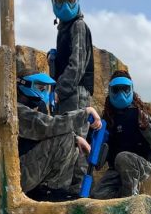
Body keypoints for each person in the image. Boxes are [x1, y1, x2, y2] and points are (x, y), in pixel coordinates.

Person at [16, 67, 101, 199]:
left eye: (45, 88)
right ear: (24, 84)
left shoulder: (34, 108)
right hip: (19, 177)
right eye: (40, 87)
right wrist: (85, 113)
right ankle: (49, 191)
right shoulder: (17, 111)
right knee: (66, 138)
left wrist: (76, 138)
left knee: (71, 140)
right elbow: (49, 126)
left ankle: (53, 191)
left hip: (28, 173)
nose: (43, 91)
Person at [90, 73, 151, 199]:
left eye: (124, 89)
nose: (121, 94)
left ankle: (130, 198)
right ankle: (123, 196)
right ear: (111, 91)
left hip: (142, 164)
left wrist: (146, 128)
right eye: (116, 89)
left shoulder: (140, 113)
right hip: (116, 169)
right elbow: (99, 159)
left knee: (123, 157)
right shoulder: (107, 118)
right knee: (97, 196)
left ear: (131, 89)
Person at [48, 0, 95, 115]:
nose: (65, 5)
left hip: (75, 93)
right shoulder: (64, 29)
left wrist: (59, 91)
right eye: (60, 0)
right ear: (53, 2)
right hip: (68, 93)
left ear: (77, 0)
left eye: (70, 0)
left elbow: (77, 66)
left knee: (72, 136)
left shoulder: (78, 25)